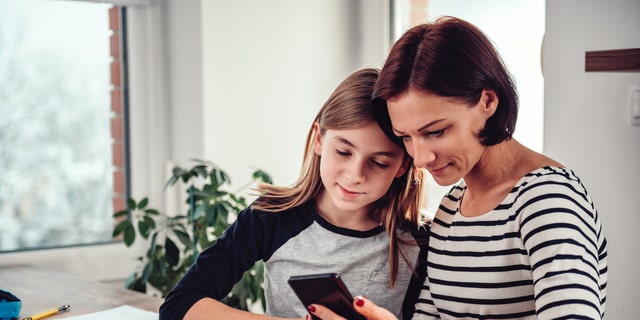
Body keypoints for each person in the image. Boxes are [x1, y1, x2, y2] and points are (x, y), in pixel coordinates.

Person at [309, 16, 608, 320]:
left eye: (435, 132)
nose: (420, 158)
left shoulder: (546, 199)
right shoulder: (452, 207)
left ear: (487, 102)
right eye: (406, 138)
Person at [159, 67, 429, 320]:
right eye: (343, 152)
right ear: (319, 139)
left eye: (379, 162)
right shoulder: (269, 219)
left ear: (402, 165)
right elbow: (179, 306)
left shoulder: (420, 240)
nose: (355, 175)